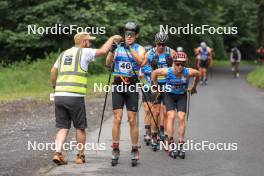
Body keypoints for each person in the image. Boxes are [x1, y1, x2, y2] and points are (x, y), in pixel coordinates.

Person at [50, 32, 122, 165]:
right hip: (75, 96)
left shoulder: (63, 54)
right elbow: (103, 51)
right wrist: (112, 38)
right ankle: (80, 156)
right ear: (83, 42)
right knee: (80, 127)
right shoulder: (85, 52)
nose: (90, 44)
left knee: (63, 127)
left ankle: (58, 153)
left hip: (59, 95)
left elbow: (53, 71)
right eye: (89, 41)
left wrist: (54, 86)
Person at [106, 22, 145, 166]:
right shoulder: (118, 47)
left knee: (132, 119)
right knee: (117, 118)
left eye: (132, 34)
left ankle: (134, 149)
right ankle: (115, 149)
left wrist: (129, 49)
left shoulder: (139, 48)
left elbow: (141, 62)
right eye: (127, 33)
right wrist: (111, 50)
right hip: (118, 85)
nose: (129, 36)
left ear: (136, 35)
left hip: (132, 86)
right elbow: (107, 63)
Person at [152, 52, 200, 159]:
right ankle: (170, 143)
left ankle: (181, 145)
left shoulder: (188, 72)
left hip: (181, 96)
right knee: (171, 116)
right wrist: (155, 86)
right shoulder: (167, 71)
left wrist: (194, 87)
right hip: (169, 95)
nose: (180, 66)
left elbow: (198, 74)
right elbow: (154, 73)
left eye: (182, 64)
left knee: (182, 118)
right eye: (178, 63)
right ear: (173, 63)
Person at [142, 32, 176, 151]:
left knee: (166, 112)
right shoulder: (150, 53)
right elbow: (142, 66)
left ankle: (167, 136)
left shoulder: (171, 52)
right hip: (155, 85)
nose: (161, 46)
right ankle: (154, 135)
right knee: (155, 111)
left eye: (163, 44)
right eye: (159, 44)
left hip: (167, 85)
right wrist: (149, 71)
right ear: (155, 43)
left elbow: (178, 66)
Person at [140, 45, 153, 146]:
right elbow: (139, 77)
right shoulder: (142, 65)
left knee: (154, 111)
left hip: (155, 89)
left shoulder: (155, 64)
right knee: (147, 109)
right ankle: (147, 132)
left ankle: (154, 131)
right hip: (145, 89)